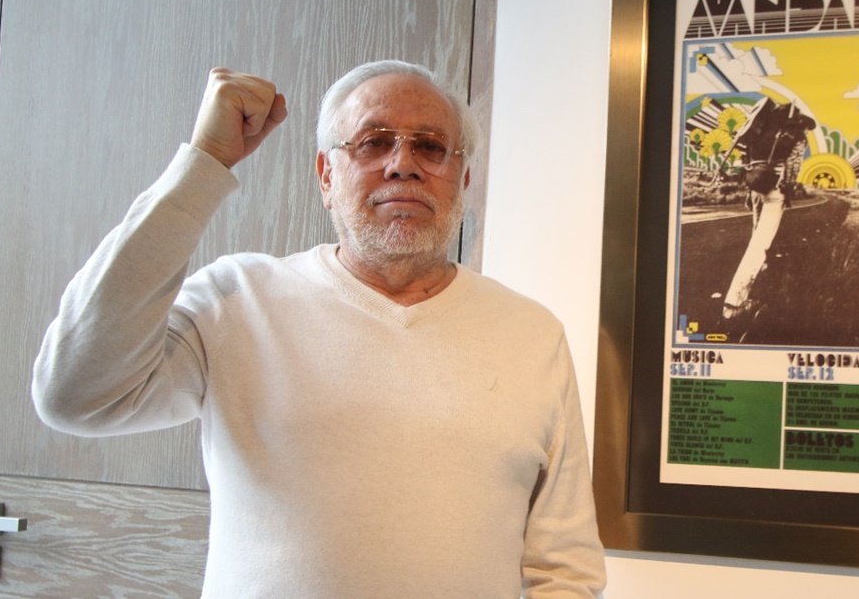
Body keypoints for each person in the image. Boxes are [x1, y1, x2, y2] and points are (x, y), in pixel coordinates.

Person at [32, 62, 607, 597]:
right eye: (373, 142)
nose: (403, 164)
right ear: (326, 175)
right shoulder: (238, 300)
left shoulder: (532, 334)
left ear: (463, 179)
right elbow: (77, 395)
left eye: (431, 147)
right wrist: (205, 161)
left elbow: (564, 566)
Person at [723, 97, 816, 319]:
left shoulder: (762, 130)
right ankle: (734, 304)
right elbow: (792, 167)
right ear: (801, 122)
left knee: (757, 233)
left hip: (755, 186)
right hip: (775, 189)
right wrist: (789, 189)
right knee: (760, 244)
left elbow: (749, 159)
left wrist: (751, 189)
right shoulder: (796, 136)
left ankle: (760, 270)